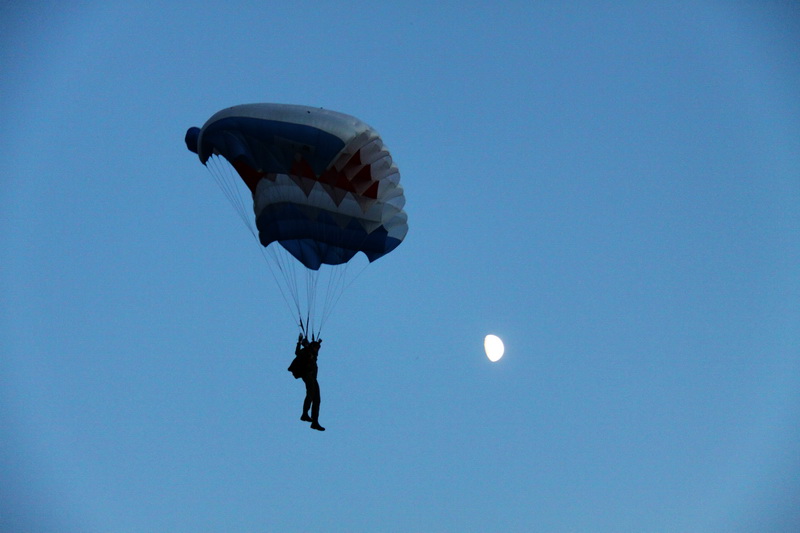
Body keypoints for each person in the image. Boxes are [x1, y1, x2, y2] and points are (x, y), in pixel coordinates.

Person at [288, 334, 325, 431]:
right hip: (307, 375)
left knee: (317, 399)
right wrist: (299, 343)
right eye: (316, 347)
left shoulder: (314, 353)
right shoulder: (306, 352)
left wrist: (318, 343)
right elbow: (297, 352)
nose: (318, 349)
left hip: (313, 378)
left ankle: (315, 422)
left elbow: (315, 350)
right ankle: (304, 414)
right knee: (310, 394)